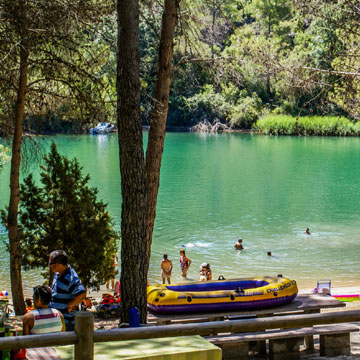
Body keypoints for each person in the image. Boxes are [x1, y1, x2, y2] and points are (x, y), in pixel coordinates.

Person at [48, 250, 86, 331]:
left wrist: (70, 305)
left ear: (57, 264)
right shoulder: (58, 274)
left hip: (67, 322)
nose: (49, 266)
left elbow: (82, 294)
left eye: (50, 264)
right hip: (58, 320)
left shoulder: (70, 278)